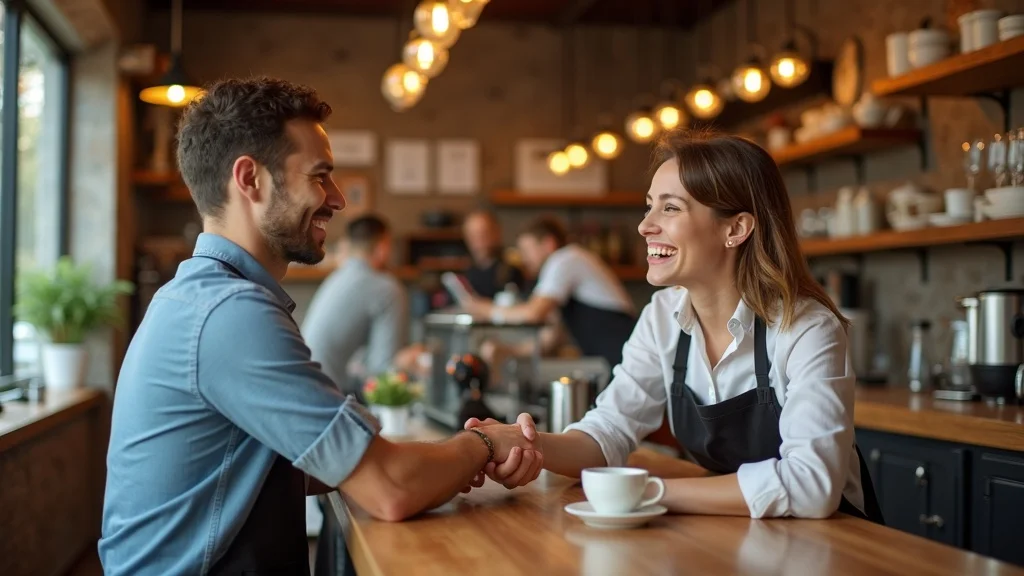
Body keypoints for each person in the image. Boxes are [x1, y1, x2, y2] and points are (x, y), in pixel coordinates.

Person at [98, 76, 541, 576]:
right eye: (320, 175)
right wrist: (483, 444)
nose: (338, 198)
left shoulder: (199, 297)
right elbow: (389, 489)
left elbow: (332, 466)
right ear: (250, 180)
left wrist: (451, 459)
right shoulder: (229, 313)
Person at [468, 131, 884, 523]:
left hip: (833, 543)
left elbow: (813, 485)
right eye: (649, 206)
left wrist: (652, 492)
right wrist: (529, 443)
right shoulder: (662, 317)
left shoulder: (806, 327)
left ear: (736, 229)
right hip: (744, 535)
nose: (645, 225)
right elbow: (608, 431)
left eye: (670, 208)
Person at [464, 216, 637, 368]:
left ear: (548, 244)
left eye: (526, 250)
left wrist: (486, 309)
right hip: (615, 358)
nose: (524, 259)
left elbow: (533, 313)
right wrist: (507, 351)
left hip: (625, 356)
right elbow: (551, 338)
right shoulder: (567, 264)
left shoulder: (565, 258)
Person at [301, 214, 422, 398]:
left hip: (303, 387)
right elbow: (382, 371)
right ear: (383, 248)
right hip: (326, 399)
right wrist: (410, 359)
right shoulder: (387, 288)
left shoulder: (337, 278)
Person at [461, 209, 526, 299]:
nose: (478, 241)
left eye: (483, 234)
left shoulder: (512, 270)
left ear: (497, 232)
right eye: (473, 235)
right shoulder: (465, 271)